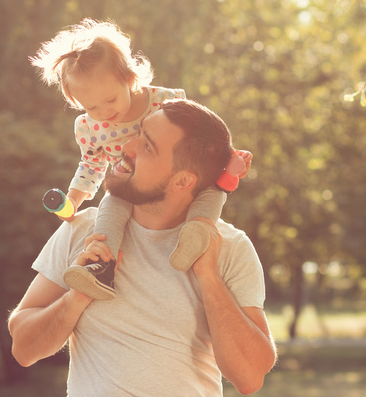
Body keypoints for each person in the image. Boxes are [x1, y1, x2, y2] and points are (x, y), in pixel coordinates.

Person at [8, 98, 277, 397]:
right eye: (137, 134)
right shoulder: (86, 231)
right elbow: (23, 347)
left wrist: (208, 276)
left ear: (182, 180)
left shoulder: (230, 247)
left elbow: (249, 377)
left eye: (146, 146)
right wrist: (80, 293)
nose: (126, 148)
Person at [31, 19, 251, 301]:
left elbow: (200, 136)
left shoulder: (165, 101)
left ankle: (198, 234)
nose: (103, 112)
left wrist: (229, 157)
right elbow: (91, 165)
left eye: (109, 99)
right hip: (128, 184)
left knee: (212, 189)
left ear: (129, 78)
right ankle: (102, 267)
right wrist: (73, 199)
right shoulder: (89, 127)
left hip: (176, 175)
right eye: (90, 106)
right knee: (110, 209)